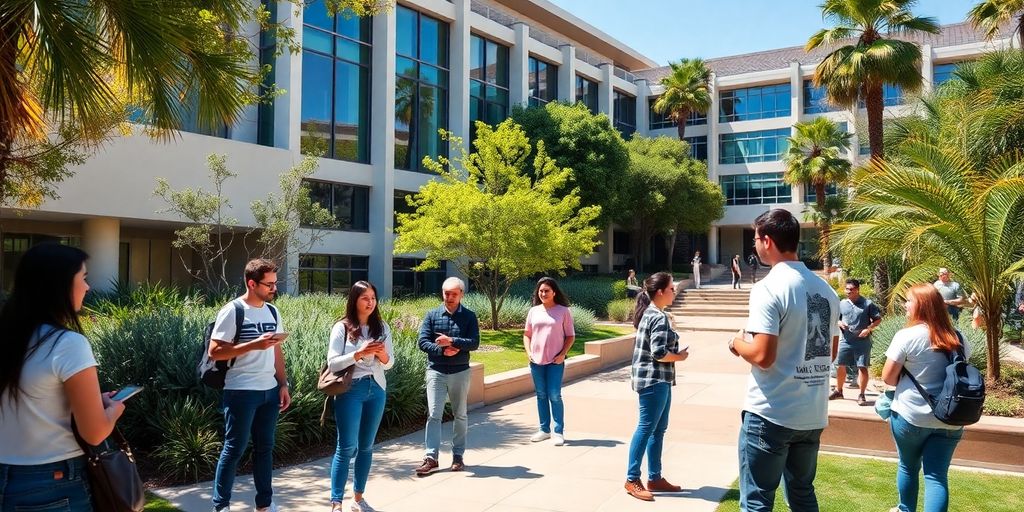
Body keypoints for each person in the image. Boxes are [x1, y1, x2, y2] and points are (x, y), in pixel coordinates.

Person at [727, 209, 840, 512]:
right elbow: (829, 352)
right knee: (802, 495)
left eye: (756, 239)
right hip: (812, 414)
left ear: (767, 240)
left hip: (771, 413)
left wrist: (736, 343)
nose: (755, 246)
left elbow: (763, 356)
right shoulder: (826, 290)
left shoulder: (769, 287)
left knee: (757, 502)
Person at [0, 244, 126, 511]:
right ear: (58, 285)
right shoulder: (67, 344)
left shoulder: (9, 337)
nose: (88, 287)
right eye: (83, 277)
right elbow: (94, 433)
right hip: (52, 482)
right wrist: (114, 410)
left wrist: (91, 400)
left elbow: (26, 402)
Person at [208, 259, 289, 512]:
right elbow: (215, 351)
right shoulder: (233, 310)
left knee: (265, 448)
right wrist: (254, 344)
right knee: (234, 449)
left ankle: (264, 504)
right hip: (241, 390)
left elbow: (277, 353)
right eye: (269, 284)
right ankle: (221, 506)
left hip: (269, 391)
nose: (274, 288)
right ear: (251, 283)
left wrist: (283, 384)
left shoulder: (273, 312)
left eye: (276, 283)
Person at [881, 283, 970, 512]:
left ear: (920, 305)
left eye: (909, 301)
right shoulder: (957, 338)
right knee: (937, 476)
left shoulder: (907, 336)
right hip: (950, 419)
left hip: (911, 417)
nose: (905, 305)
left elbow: (888, 379)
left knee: (908, 467)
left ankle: (905, 510)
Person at [327, 281, 394, 512]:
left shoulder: (382, 327)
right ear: (354, 300)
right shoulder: (342, 327)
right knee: (346, 447)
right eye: (365, 298)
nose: (371, 302)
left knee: (366, 447)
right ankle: (336, 501)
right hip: (350, 390)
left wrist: (382, 354)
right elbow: (333, 363)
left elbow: (389, 364)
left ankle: (358, 498)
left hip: (376, 389)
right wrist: (358, 354)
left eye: (373, 297)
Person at [623, 272, 689, 502]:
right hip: (654, 380)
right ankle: (632, 479)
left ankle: (655, 477)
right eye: (671, 288)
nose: (674, 291)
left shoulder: (652, 314)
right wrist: (680, 357)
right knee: (646, 428)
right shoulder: (658, 317)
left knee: (657, 430)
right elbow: (659, 353)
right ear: (660, 291)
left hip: (658, 380)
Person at [415, 277, 480, 476]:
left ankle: (458, 456)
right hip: (436, 371)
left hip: (460, 372)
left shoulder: (469, 316)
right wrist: (442, 350)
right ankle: (431, 458)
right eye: (446, 293)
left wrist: (453, 341)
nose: (449, 297)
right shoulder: (432, 315)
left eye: (453, 294)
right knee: (434, 415)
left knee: (460, 414)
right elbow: (422, 342)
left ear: (461, 294)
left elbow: (474, 342)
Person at [524, 277, 575, 446]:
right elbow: (527, 334)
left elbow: (570, 336)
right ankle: (544, 430)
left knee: (554, 395)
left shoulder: (563, 311)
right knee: (541, 395)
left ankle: (558, 431)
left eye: (546, 291)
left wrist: (562, 354)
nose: (543, 293)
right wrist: (529, 352)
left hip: (555, 360)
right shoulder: (533, 311)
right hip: (536, 361)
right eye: (541, 291)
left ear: (554, 292)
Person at [831, 279, 883, 406]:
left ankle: (862, 394)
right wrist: (839, 323)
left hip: (862, 341)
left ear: (857, 290)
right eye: (847, 289)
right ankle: (839, 391)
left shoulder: (867, 303)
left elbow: (877, 319)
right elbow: (836, 318)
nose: (848, 291)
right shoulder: (842, 303)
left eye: (851, 289)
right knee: (840, 365)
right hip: (846, 340)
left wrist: (868, 329)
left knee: (862, 367)